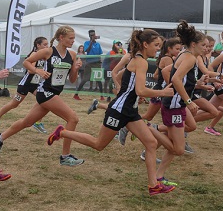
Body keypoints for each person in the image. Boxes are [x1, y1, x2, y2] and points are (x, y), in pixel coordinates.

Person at [47, 29, 176, 196]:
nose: (158, 49)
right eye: (156, 45)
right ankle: (63, 132)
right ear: (145, 44)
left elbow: (125, 79)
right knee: (98, 144)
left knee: (151, 143)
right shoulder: (140, 61)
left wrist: (127, 91)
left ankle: (153, 185)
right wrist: (162, 93)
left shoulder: (138, 59)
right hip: (119, 111)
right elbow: (141, 90)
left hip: (130, 111)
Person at [0, 26, 85, 166]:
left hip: (54, 92)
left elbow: (72, 80)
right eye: (71, 38)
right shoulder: (48, 51)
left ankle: (0, 137)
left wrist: (75, 68)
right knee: (73, 118)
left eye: (73, 38)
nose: (73, 41)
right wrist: (38, 71)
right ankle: (65, 156)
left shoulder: (72, 55)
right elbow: (26, 62)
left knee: (27, 122)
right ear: (61, 38)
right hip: (45, 92)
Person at [146, 20, 207, 190]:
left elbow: (181, 79)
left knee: (190, 127)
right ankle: (150, 127)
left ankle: (160, 175)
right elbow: (175, 79)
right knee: (178, 149)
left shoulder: (187, 55)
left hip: (176, 103)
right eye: (203, 45)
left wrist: (200, 83)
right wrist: (189, 101)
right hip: (174, 105)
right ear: (193, 44)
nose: (206, 48)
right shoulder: (189, 58)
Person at [0, 37, 49, 134]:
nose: (47, 46)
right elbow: (30, 70)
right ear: (38, 45)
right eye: (45, 44)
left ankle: (38, 122)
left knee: (44, 100)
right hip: (25, 84)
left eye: (47, 44)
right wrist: (40, 71)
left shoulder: (44, 55)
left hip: (35, 84)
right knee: (14, 104)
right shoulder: (34, 54)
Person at [73, 29, 104, 100]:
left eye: (94, 34)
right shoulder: (86, 43)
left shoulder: (98, 44)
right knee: (85, 79)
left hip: (97, 63)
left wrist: (99, 62)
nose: (93, 36)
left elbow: (100, 53)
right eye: (91, 35)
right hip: (89, 63)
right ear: (89, 36)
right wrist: (91, 42)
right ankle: (76, 94)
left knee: (98, 79)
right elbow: (87, 50)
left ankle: (102, 96)